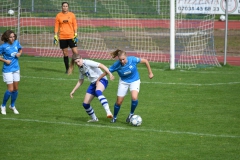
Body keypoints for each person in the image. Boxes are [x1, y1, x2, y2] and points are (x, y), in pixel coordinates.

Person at [97, 49, 154, 123]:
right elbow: (106, 71)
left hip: (135, 80)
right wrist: (98, 80)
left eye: (123, 59)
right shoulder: (117, 65)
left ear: (126, 56)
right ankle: (114, 117)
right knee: (119, 102)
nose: (122, 61)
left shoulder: (132, 60)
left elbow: (145, 61)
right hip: (123, 82)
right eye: (120, 60)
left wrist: (150, 73)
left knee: (134, 97)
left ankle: (131, 114)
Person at [68, 53, 115, 122]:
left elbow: (101, 65)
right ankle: (94, 119)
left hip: (102, 79)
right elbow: (81, 80)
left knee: (98, 91)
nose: (78, 63)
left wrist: (110, 74)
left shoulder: (87, 62)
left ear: (81, 58)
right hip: (93, 83)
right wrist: (73, 90)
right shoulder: (81, 68)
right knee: (85, 104)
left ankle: (108, 112)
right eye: (76, 62)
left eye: (78, 61)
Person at [0, 30, 22, 115]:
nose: (13, 38)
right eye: (10, 37)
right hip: (8, 70)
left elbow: (20, 50)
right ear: (7, 38)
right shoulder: (3, 47)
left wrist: (19, 54)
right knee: (10, 89)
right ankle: (3, 105)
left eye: (13, 36)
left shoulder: (16, 42)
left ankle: (12, 106)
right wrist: (5, 60)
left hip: (16, 68)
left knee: (16, 89)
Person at [54, 2, 78, 73]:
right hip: (62, 37)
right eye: (64, 6)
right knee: (65, 53)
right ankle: (67, 69)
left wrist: (76, 33)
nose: (65, 7)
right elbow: (56, 26)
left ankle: (79, 67)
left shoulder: (72, 15)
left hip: (71, 36)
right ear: (62, 7)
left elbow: (75, 25)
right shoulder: (58, 15)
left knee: (75, 52)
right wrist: (55, 35)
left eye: (66, 6)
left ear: (68, 7)